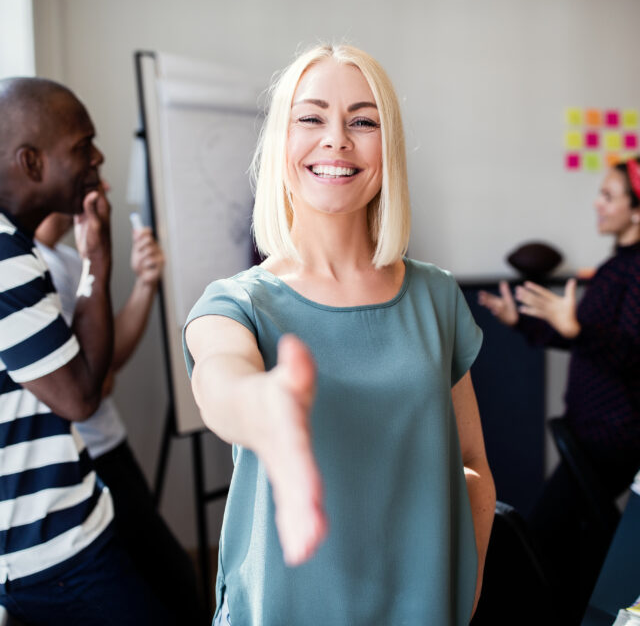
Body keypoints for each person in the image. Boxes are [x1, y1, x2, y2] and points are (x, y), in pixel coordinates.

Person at [183, 44, 496, 626]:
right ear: (281, 143)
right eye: (311, 117)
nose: (336, 139)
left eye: (363, 120)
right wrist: (267, 408)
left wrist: (464, 584)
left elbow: (472, 463)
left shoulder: (436, 297)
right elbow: (222, 380)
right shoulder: (236, 303)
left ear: (389, 148)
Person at [0, 77, 183, 625]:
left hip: (63, 532)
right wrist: (97, 266)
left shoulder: (20, 250)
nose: (98, 157)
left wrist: (97, 263)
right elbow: (81, 394)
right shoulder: (6, 260)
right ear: (32, 163)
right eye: (82, 146)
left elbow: (81, 367)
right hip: (55, 548)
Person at [478, 157, 640, 618]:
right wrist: (526, 325)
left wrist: (575, 330)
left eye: (609, 195)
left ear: (637, 211)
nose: (597, 203)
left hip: (610, 437)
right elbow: (585, 341)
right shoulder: (619, 265)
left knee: (541, 543)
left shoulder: (637, 269)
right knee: (568, 545)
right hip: (589, 434)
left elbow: (630, 352)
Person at [34, 205, 208, 625]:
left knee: (172, 582)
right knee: (172, 588)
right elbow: (98, 381)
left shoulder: (68, 258)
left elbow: (108, 357)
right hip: (87, 460)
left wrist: (145, 285)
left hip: (108, 446)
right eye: (86, 160)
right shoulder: (37, 267)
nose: (103, 183)